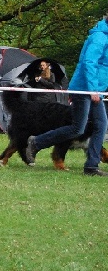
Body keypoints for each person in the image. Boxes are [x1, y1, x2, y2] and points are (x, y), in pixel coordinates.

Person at [27, 14, 108, 176]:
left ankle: (91, 166)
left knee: (101, 125)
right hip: (84, 89)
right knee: (78, 128)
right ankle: (36, 142)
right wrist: (92, 89)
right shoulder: (100, 37)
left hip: (94, 90)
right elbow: (89, 63)